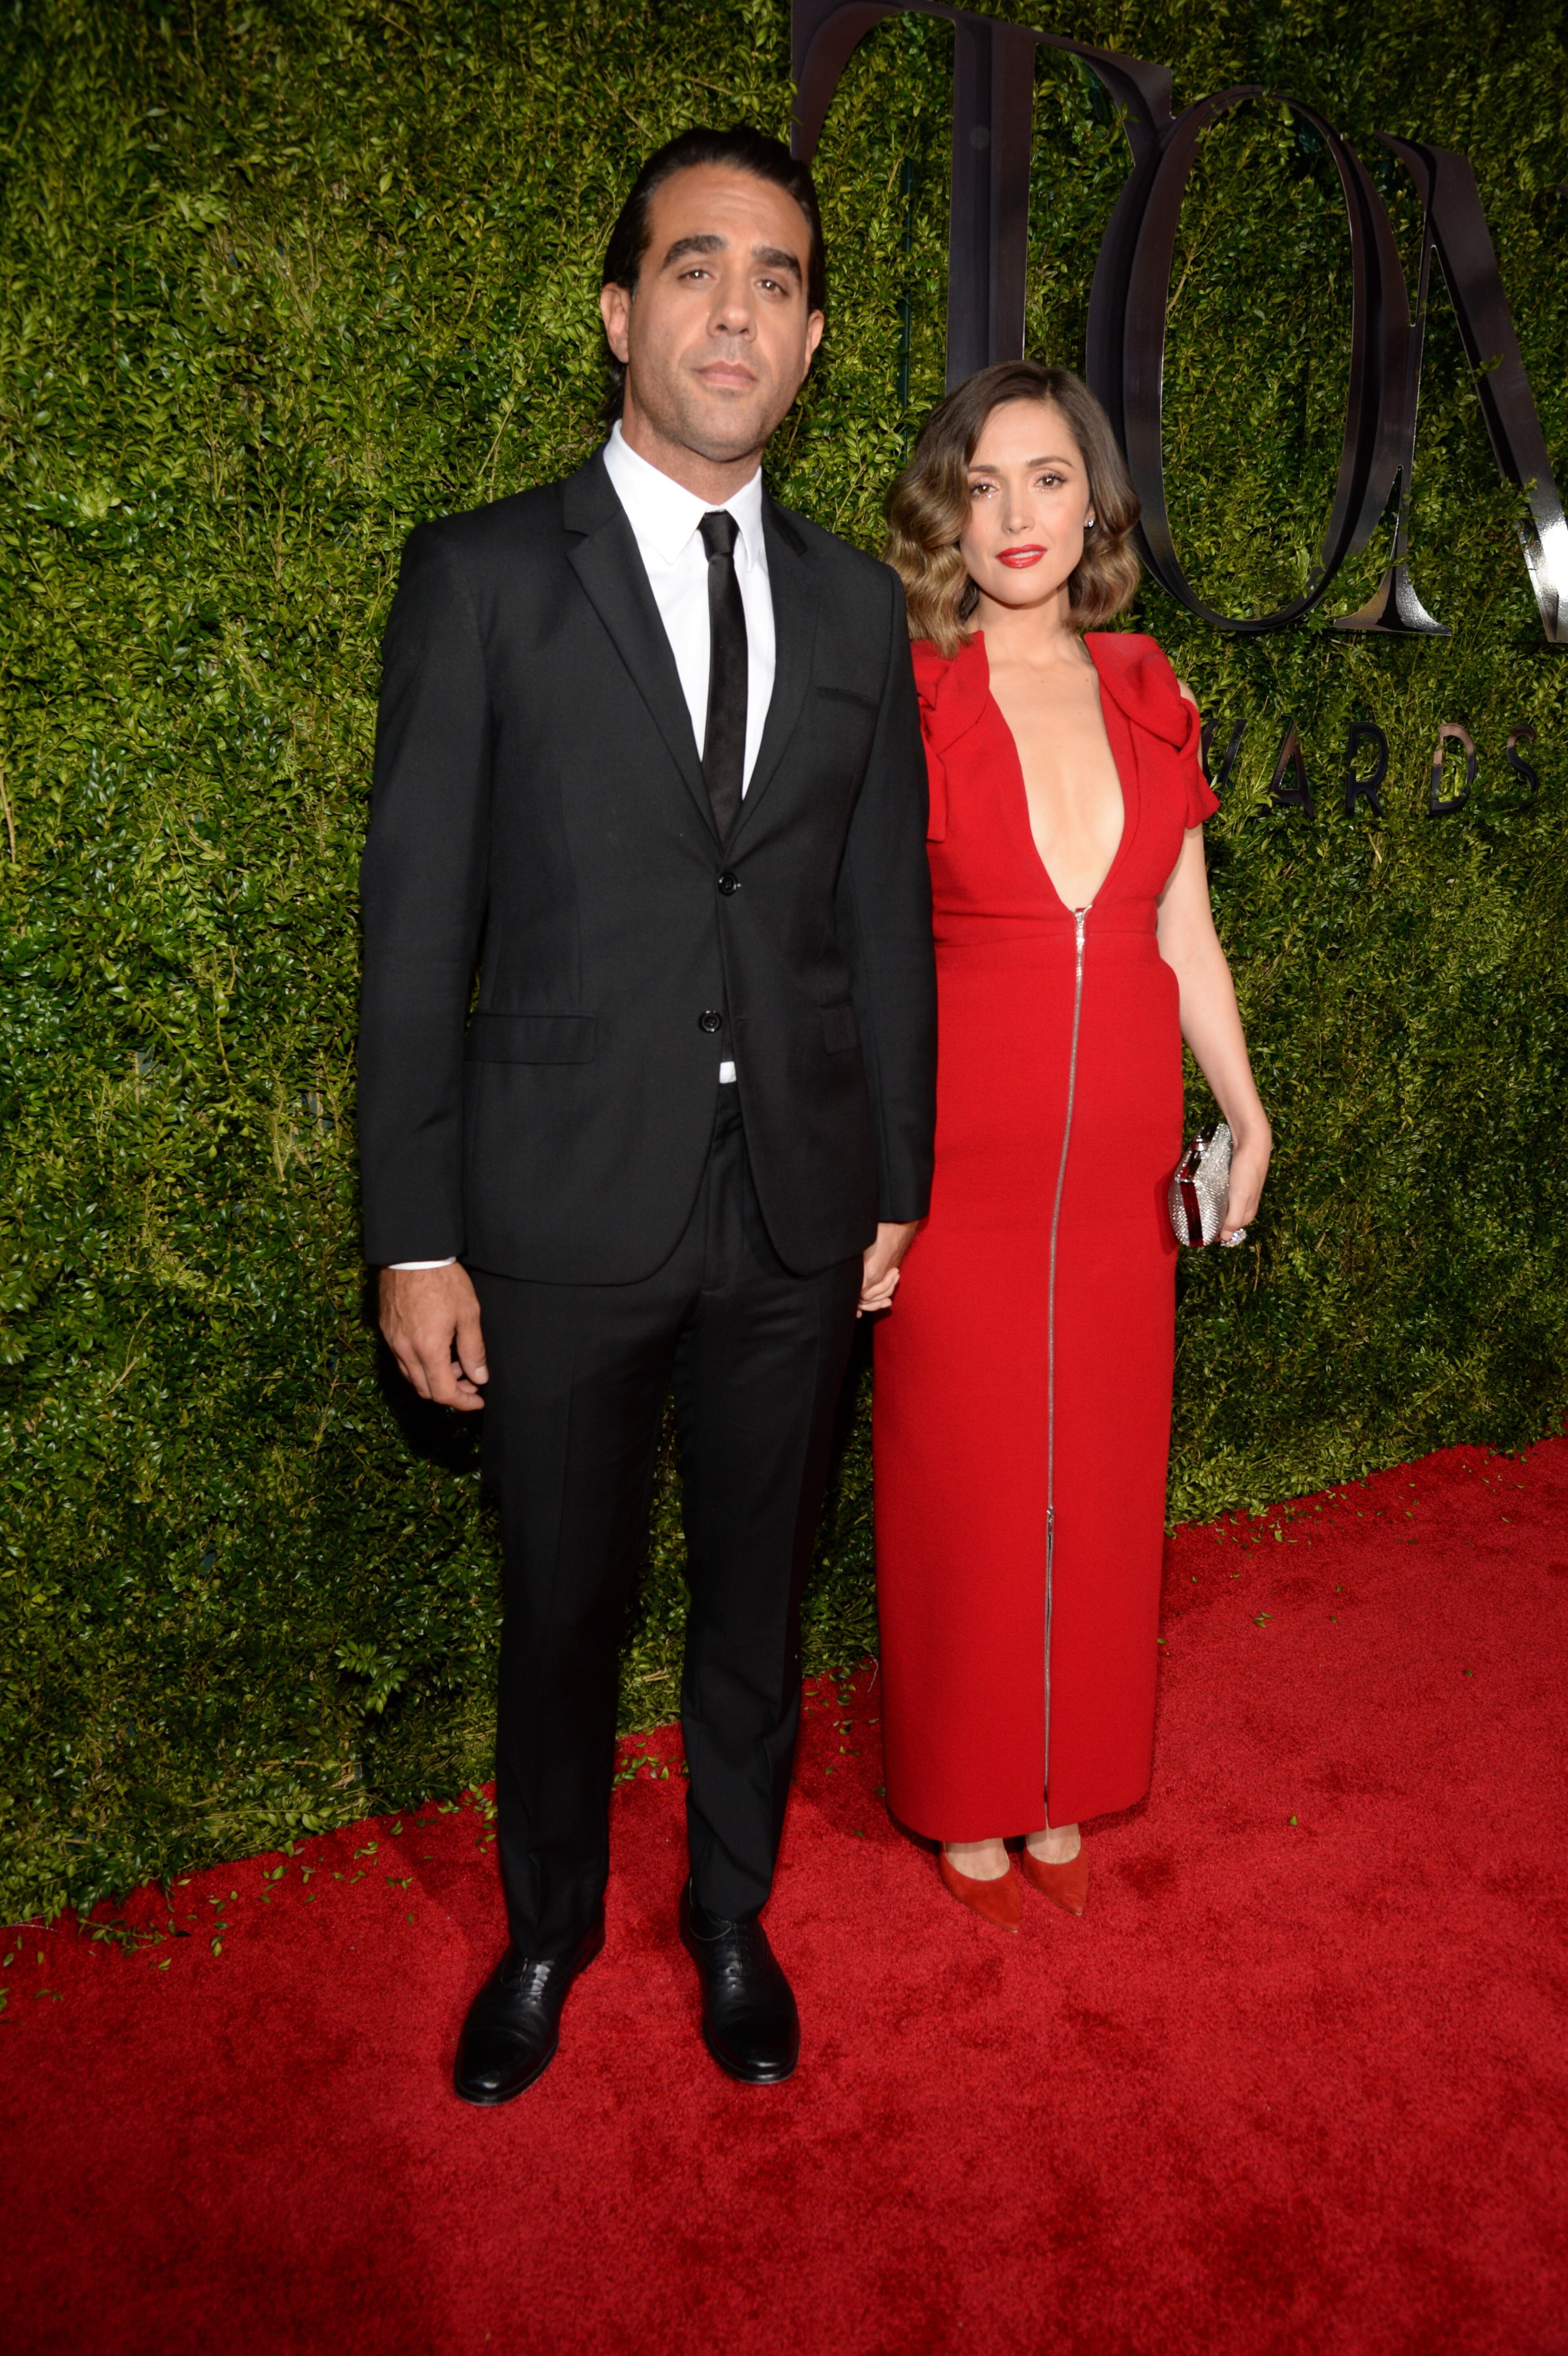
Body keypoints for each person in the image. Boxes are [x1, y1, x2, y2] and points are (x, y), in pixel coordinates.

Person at [358, 127, 935, 2094]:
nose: (736, 310)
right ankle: (544, 1935)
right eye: (697, 268)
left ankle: (731, 1917)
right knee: (562, 1600)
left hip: (795, 1205)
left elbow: (878, 921)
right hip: (554, 1204)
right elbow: (411, 926)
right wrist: (413, 1231)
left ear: (814, 340)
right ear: (622, 314)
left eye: (776, 281)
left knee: (760, 1594)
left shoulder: (861, 614)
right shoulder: (485, 576)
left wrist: (897, 1183)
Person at [872, 360, 1270, 1929]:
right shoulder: (907, 690)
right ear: (946, 513)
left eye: (1047, 479)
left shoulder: (1146, 685)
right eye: (983, 483)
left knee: (1101, 1476)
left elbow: (1184, 922)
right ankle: (971, 1782)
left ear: (1095, 502)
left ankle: (1072, 1770)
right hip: (957, 1167)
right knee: (962, 1478)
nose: (1017, 515)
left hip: (1116, 1167)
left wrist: (1244, 1108)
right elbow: (850, 951)